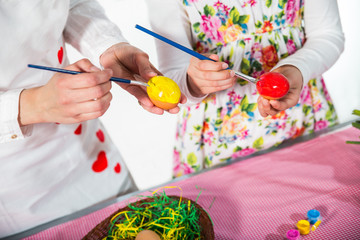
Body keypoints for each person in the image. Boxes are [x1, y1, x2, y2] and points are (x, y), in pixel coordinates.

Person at [0, 0, 185, 237]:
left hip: (93, 157)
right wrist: (32, 105)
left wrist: (107, 46)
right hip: (19, 196)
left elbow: (73, 4)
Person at [146, 0, 345, 177]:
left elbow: (327, 34)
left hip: (304, 118)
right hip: (216, 140)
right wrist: (194, 83)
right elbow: (172, 75)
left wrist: (296, 69)